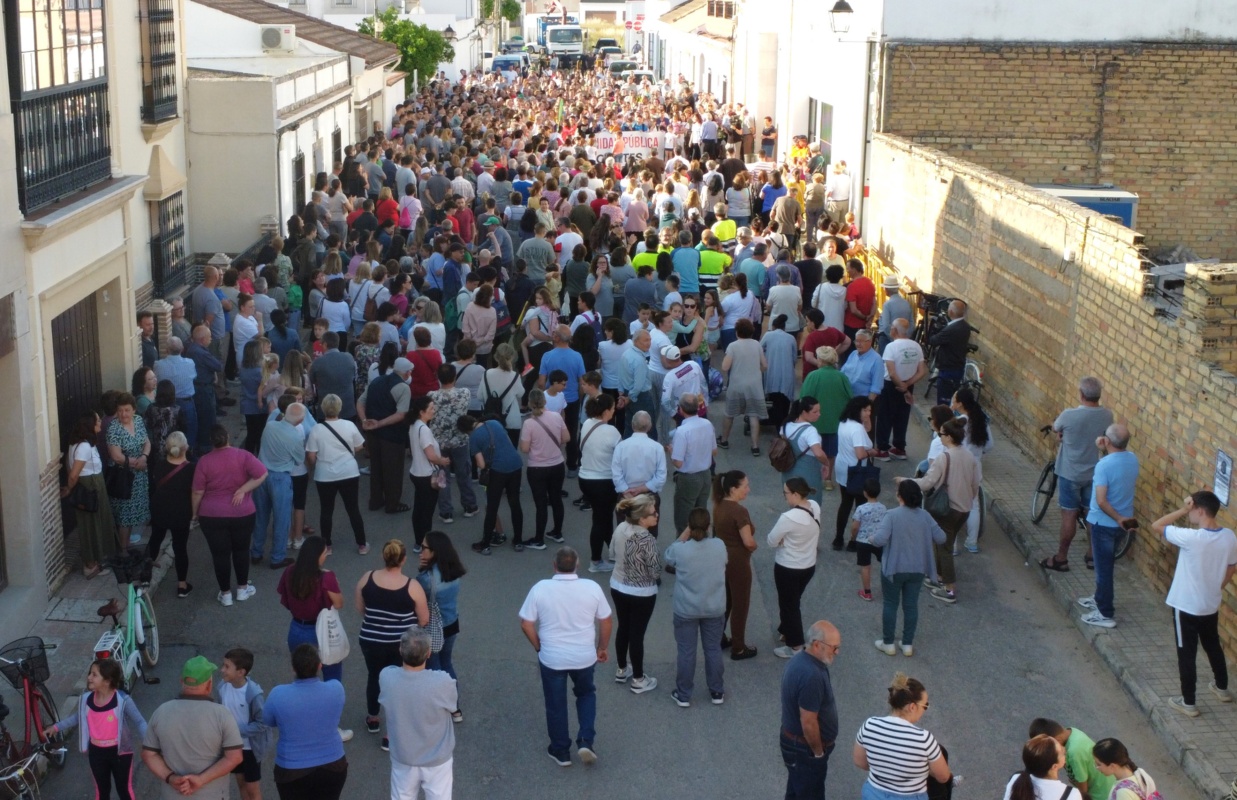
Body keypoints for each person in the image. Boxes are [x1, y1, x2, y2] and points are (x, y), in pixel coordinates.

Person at [518, 546, 613, 768]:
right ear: (577, 565)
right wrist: (602, 647)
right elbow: (606, 620)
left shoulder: (541, 588)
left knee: (555, 704)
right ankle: (586, 740)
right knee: (586, 694)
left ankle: (561, 751)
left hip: (552, 658)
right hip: (584, 657)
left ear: (554, 566)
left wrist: (538, 646)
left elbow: (526, 623)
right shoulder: (591, 587)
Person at [1150, 490, 1237, 717]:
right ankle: (1222, 688)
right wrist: (1217, 586)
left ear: (1199, 510)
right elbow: (1232, 566)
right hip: (1210, 604)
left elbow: (1157, 525)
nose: (1190, 514)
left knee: (1186, 653)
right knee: (1212, 645)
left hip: (1186, 606)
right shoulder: (1229, 536)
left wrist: (1182, 509)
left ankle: (1188, 702)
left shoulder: (1191, 538)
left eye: (1192, 509)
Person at [356, 539, 430, 742]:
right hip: (400, 644)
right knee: (398, 683)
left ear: (383, 556)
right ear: (404, 560)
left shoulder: (367, 579)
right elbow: (424, 619)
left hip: (370, 640)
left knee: (374, 676)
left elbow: (361, 609)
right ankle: (391, 733)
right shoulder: (412, 586)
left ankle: (373, 717)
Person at [141, 656, 244, 799]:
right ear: (208, 685)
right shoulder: (222, 715)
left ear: (182, 681)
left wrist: (171, 778)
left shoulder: (161, 711)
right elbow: (235, 757)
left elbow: (148, 755)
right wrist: (201, 780)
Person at [1042, 377, 1113, 573]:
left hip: (1070, 473)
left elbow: (1057, 429)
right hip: (1094, 474)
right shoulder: (1107, 415)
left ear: (1081, 395)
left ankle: (1061, 558)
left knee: (1069, 515)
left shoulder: (1068, 415)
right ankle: (1092, 556)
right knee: (1092, 515)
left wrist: (1059, 435)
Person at [379, 627, 458, 800]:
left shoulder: (387, 677)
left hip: (403, 756)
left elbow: (391, 670)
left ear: (400, 650)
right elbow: (453, 706)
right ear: (429, 653)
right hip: (437, 759)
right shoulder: (442, 682)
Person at [52, 658, 147, 800]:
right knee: (101, 791)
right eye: (90, 673)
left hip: (121, 753)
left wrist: (150, 743)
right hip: (96, 753)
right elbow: (77, 718)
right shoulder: (86, 700)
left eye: (94, 675)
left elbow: (139, 721)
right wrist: (56, 727)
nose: (89, 677)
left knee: (124, 790)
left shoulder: (122, 700)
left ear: (107, 681)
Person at [192, 425, 266, 607]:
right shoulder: (243, 456)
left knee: (220, 555)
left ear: (212, 442)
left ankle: (225, 593)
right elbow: (262, 473)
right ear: (227, 437)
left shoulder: (204, 461)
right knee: (241, 550)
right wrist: (242, 489)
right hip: (242, 512)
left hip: (212, 514)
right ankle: (242, 588)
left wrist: (195, 513)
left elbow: (197, 491)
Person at [869, 481, 945, 656]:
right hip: (918, 568)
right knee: (911, 606)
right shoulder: (925, 516)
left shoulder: (892, 515)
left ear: (900, 496)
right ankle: (907, 643)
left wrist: (871, 537)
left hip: (894, 568)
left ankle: (888, 643)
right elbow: (941, 538)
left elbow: (880, 539)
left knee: (890, 604)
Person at [262, 645, 349, 799]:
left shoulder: (278, 695)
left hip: (291, 770)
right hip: (333, 765)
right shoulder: (336, 689)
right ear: (319, 666)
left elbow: (268, 721)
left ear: (293, 669)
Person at [909, 419, 979, 605]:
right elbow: (975, 485)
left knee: (945, 548)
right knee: (943, 542)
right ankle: (938, 576)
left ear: (948, 437)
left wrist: (907, 481)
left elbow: (927, 483)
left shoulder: (944, 457)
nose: (939, 437)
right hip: (963, 509)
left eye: (941, 434)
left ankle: (949, 590)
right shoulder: (970, 456)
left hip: (947, 509)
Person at [663, 507, 727, 707]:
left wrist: (685, 533)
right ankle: (717, 691)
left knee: (686, 652)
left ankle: (683, 694)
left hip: (686, 609)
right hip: (714, 607)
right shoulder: (719, 546)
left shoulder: (680, 550)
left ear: (689, 527)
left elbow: (668, 556)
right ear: (709, 526)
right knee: (713, 649)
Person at [854, 673, 950, 800]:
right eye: (925, 706)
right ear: (912, 707)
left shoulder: (869, 725)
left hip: (873, 794)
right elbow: (943, 777)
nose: (925, 709)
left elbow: (860, 762)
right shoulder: (924, 739)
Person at [1079, 423, 1139, 629]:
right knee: (1106, 565)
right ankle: (1098, 597)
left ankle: (1105, 612)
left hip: (1104, 523)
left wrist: (1117, 517)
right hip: (1121, 526)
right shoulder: (1133, 459)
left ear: (1108, 441)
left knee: (1103, 569)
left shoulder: (1104, 465)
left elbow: (1102, 500)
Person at [779, 621, 842, 800]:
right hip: (804, 751)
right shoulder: (811, 675)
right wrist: (818, 753)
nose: (837, 652)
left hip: (796, 747)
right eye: (834, 647)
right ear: (816, 645)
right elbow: (808, 722)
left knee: (796, 791)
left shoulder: (801, 660)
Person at [608, 494, 662, 695]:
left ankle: (622, 669)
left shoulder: (620, 528)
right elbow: (655, 571)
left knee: (623, 627)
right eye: (652, 513)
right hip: (642, 592)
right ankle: (639, 679)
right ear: (641, 519)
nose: (656, 514)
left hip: (618, 585)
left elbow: (612, 554)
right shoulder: (647, 539)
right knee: (637, 634)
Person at [305, 394, 368, 553]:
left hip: (325, 475)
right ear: (340, 408)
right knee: (353, 509)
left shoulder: (317, 429)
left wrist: (316, 464)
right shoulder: (349, 425)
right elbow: (360, 446)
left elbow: (311, 456)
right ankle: (361, 544)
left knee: (326, 510)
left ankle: (327, 545)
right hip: (349, 472)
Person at [767, 477, 821, 659]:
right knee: (793, 599)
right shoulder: (814, 506)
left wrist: (783, 540)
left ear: (796, 494)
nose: (785, 497)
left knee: (789, 605)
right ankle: (786, 629)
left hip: (788, 567)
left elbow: (771, 540)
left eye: (786, 493)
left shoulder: (788, 518)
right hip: (808, 565)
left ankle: (796, 645)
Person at [62, 412, 118, 579]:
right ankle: (90, 565)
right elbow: (73, 474)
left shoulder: (78, 444)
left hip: (91, 486)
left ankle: (93, 561)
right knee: (91, 526)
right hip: (91, 487)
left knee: (92, 524)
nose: (100, 421)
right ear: (89, 425)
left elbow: (68, 466)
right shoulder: (84, 447)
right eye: (97, 420)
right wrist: (69, 488)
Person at [252, 402, 306, 571]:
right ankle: (277, 557)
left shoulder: (270, 426)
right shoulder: (295, 437)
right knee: (282, 519)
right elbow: (299, 460)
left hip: (261, 475)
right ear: (300, 420)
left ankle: (256, 552)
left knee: (261, 516)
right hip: (280, 478)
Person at [461, 414, 524, 554]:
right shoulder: (494, 423)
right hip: (515, 464)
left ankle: (486, 544)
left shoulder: (474, 438)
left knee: (492, 507)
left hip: (498, 471)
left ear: (466, 431)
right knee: (515, 503)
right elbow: (507, 441)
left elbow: (481, 464)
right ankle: (518, 541)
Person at [358, 357, 413, 515]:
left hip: (373, 435)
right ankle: (393, 503)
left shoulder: (377, 381)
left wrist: (364, 421)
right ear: (407, 372)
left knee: (376, 468)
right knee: (393, 470)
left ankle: (375, 500)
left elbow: (360, 402)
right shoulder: (403, 388)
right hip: (393, 436)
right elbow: (401, 414)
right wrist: (380, 423)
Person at [713, 470, 758, 660]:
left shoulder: (718, 505)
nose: (748, 489)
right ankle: (739, 648)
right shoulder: (740, 511)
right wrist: (755, 546)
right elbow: (748, 541)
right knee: (741, 604)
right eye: (745, 486)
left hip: (722, 559)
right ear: (733, 489)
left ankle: (719, 637)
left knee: (726, 601)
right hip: (738, 562)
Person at [217, 648, 271, 800]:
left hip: (249, 749)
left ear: (241, 672)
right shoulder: (222, 687)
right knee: (241, 784)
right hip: (233, 746)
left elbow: (262, 723)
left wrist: (234, 731)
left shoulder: (253, 694)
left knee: (252, 788)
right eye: (223, 665)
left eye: (227, 667)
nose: (222, 670)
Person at [147, 431, 195, 598]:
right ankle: (182, 585)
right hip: (181, 513)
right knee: (180, 548)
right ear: (185, 448)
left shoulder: (159, 465)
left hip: (159, 510)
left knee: (155, 540)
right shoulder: (191, 469)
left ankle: (145, 577)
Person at [521, 389, 569, 550]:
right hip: (557, 465)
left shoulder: (529, 423)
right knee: (556, 499)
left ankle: (539, 538)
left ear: (529, 403)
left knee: (541, 504)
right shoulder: (556, 416)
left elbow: (525, 448)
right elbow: (566, 438)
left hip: (537, 468)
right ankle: (557, 532)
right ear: (545, 401)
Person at [579, 394, 622, 571]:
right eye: (612, 409)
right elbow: (621, 457)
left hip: (586, 479)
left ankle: (612, 554)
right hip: (604, 481)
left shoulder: (587, 424)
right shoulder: (612, 432)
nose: (614, 411)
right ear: (605, 411)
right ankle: (596, 561)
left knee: (602, 517)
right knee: (601, 519)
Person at [800, 347, 852, 492]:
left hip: (815, 422)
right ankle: (828, 479)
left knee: (811, 451)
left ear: (821, 359)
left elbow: (804, 398)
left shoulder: (813, 376)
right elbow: (850, 397)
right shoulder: (842, 377)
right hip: (835, 422)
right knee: (830, 452)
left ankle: (812, 478)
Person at [874, 319, 925, 461]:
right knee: (902, 416)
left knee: (885, 416)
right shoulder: (916, 346)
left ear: (894, 330)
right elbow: (922, 371)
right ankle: (899, 448)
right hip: (909, 384)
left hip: (891, 385)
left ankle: (883, 449)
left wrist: (901, 386)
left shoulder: (891, 347)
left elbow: (891, 372)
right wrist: (907, 385)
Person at [833, 396, 879, 551]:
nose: (868, 413)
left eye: (870, 410)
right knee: (860, 507)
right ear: (856, 410)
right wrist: (872, 452)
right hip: (857, 472)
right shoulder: (857, 429)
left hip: (843, 468)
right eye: (865, 410)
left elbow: (867, 429)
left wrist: (866, 419)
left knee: (845, 503)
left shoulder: (844, 422)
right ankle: (854, 540)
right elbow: (860, 454)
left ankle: (838, 538)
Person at [408, 395, 454, 549]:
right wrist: (443, 461)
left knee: (419, 509)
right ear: (422, 412)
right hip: (427, 475)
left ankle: (418, 541)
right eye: (431, 409)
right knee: (427, 512)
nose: (434, 411)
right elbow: (431, 456)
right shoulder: (424, 430)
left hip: (416, 472)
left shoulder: (413, 426)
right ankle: (425, 543)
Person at [107, 393, 152, 546]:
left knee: (133, 514)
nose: (123, 414)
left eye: (127, 410)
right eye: (120, 410)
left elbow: (147, 442)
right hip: (123, 478)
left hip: (139, 475)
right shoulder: (114, 428)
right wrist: (136, 463)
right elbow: (116, 456)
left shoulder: (138, 421)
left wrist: (144, 457)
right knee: (125, 515)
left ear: (134, 410)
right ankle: (123, 551)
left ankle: (127, 545)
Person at [718, 318, 767, 456]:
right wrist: (755, 371)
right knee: (753, 415)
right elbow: (764, 365)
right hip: (754, 385)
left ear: (737, 332)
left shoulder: (733, 346)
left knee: (729, 413)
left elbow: (725, 366)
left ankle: (724, 440)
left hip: (737, 385)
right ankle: (755, 446)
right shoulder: (757, 344)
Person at [1029, 718, 1110, 800]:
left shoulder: (1073, 753)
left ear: (1057, 740)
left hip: (1099, 794)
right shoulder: (1071, 732)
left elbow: (1082, 784)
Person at [670, 394, 716, 533]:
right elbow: (714, 451)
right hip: (706, 475)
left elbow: (678, 463)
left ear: (681, 410)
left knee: (683, 519)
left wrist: (672, 451)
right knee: (701, 516)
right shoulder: (707, 424)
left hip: (688, 478)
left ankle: (682, 549)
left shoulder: (682, 431)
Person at [779, 398, 831, 508]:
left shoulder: (786, 425)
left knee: (793, 507)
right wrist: (827, 464)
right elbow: (818, 453)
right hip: (808, 474)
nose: (819, 414)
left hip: (788, 472)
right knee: (811, 506)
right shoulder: (810, 431)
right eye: (815, 412)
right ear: (804, 412)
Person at [1003, 735, 1084, 800]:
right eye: (1062, 752)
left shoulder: (1016, 779)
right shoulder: (1072, 795)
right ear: (1054, 766)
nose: (1064, 748)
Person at [927, 300, 973, 405]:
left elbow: (933, 340)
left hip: (948, 369)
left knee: (944, 400)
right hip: (958, 366)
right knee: (953, 398)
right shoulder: (965, 326)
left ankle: (943, 419)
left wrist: (934, 328)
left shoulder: (951, 329)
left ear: (951, 312)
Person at [1092, 738, 1160, 800]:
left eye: (1098, 764)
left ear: (1112, 766)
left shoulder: (1123, 794)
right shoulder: (1140, 774)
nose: (1096, 767)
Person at [875, 277, 913, 354]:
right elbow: (912, 324)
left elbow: (886, 326)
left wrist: (895, 339)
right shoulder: (906, 303)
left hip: (888, 339)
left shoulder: (887, 305)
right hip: (904, 339)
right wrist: (905, 337)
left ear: (887, 290)